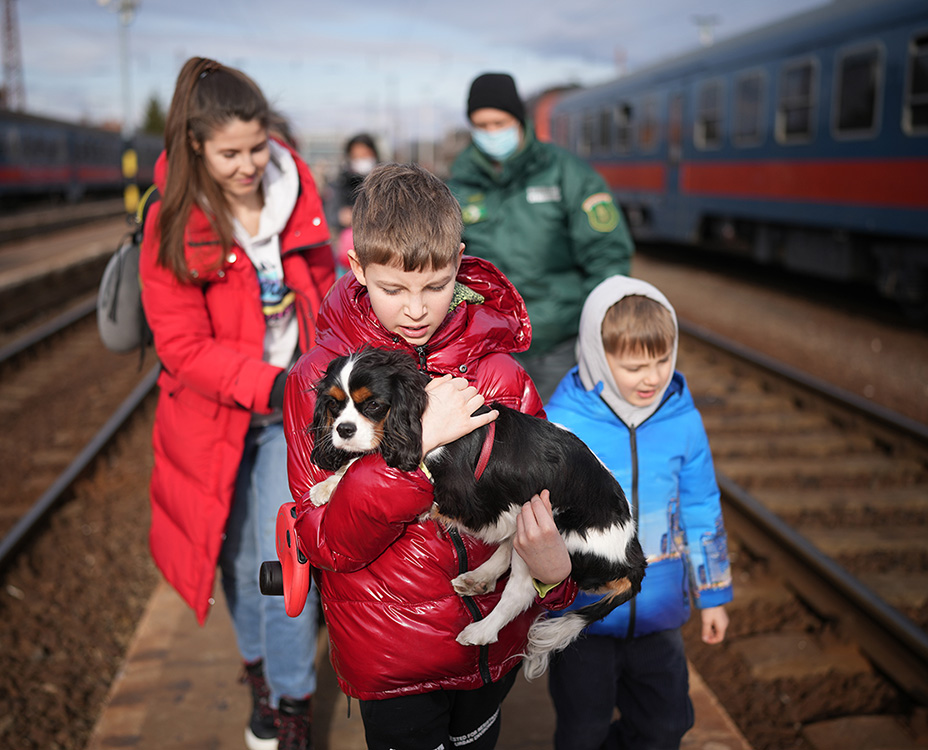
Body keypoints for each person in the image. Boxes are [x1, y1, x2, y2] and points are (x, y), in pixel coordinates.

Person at [283, 163, 579, 750]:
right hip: (393, 659)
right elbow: (324, 540)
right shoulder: (322, 381)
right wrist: (415, 453)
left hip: (491, 651)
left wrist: (555, 577)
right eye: (394, 289)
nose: (417, 308)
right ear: (359, 269)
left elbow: (546, 499)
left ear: (458, 262)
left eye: (436, 285)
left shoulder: (497, 374)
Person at [138, 57, 336, 750]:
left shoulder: (295, 193)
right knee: (235, 568)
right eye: (230, 154)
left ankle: (291, 711)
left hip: (289, 416)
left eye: (258, 147)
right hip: (214, 421)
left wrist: (314, 375)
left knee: (281, 567)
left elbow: (326, 286)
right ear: (195, 145)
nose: (250, 164)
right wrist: (271, 383)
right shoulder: (173, 222)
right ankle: (259, 678)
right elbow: (183, 348)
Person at [542, 275, 733, 750]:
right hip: (582, 616)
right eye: (634, 366)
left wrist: (714, 594)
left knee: (666, 726)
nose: (652, 377)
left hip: (658, 613)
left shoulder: (683, 419)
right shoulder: (563, 423)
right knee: (581, 731)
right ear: (596, 356)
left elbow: (701, 505)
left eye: (662, 361)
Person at [447, 72, 635, 401]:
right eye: (482, 125)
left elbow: (607, 253)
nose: (492, 133)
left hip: (561, 344)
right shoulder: (459, 186)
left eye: (499, 122)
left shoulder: (567, 173)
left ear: (519, 120)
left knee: (560, 438)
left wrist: (595, 323)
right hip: (490, 348)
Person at [323, 132, 380, 273]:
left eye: (365, 155)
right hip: (348, 254)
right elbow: (329, 214)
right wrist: (340, 216)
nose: (361, 160)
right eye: (357, 156)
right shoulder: (340, 183)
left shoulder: (384, 183)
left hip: (379, 251)